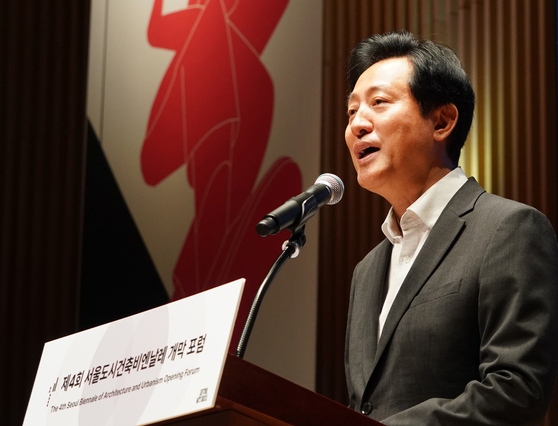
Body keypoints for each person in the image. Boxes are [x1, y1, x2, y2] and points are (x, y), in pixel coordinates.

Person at [344, 30, 558, 425]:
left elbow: (517, 391)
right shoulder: (366, 270)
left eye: (378, 103)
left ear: (442, 121)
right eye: (351, 111)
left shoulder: (507, 229)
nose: (357, 123)